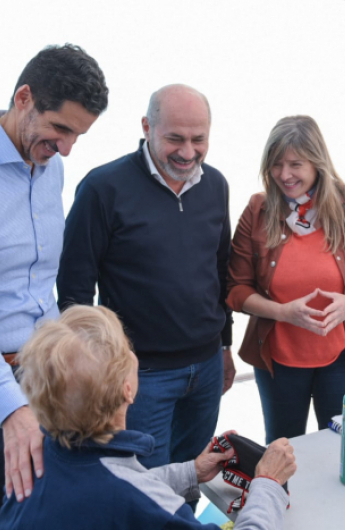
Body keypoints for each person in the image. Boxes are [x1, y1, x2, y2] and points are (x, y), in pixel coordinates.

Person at [0, 44, 108, 518]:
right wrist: (12, 411)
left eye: (79, 135)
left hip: (40, 376)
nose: (68, 148)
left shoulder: (50, 167)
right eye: (61, 128)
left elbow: (38, 291)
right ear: (24, 98)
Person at [57, 84, 234, 470]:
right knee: (145, 487)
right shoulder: (103, 189)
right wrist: (98, 372)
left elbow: (221, 271)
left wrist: (225, 347)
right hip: (140, 378)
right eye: (175, 138)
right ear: (146, 127)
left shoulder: (216, 186)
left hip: (205, 370)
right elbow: (74, 293)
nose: (188, 152)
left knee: (193, 478)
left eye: (198, 139)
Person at [0, 305, 296, 530]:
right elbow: (128, 493)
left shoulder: (31, 464)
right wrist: (267, 484)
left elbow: (108, 487)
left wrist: (190, 473)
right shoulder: (137, 499)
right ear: (128, 389)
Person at [227, 115, 345, 443]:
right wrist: (282, 312)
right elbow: (235, 289)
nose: (285, 175)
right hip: (278, 358)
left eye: (295, 164)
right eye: (276, 165)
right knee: (282, 447)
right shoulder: (258, 210)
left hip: (344, 358)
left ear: (317, 162)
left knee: (341, 446)